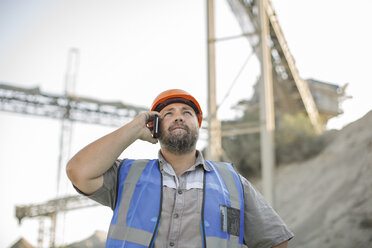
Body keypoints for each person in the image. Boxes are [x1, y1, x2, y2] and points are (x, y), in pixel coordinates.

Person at [66, 89, 294, 248]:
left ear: (197, 124)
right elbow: (78, 171)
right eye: (168, 114)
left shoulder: (232, 181)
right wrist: (135, 128)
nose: (178, 118)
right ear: (153, 126)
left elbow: (274, 240)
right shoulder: (127, 175)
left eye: (187, 112)